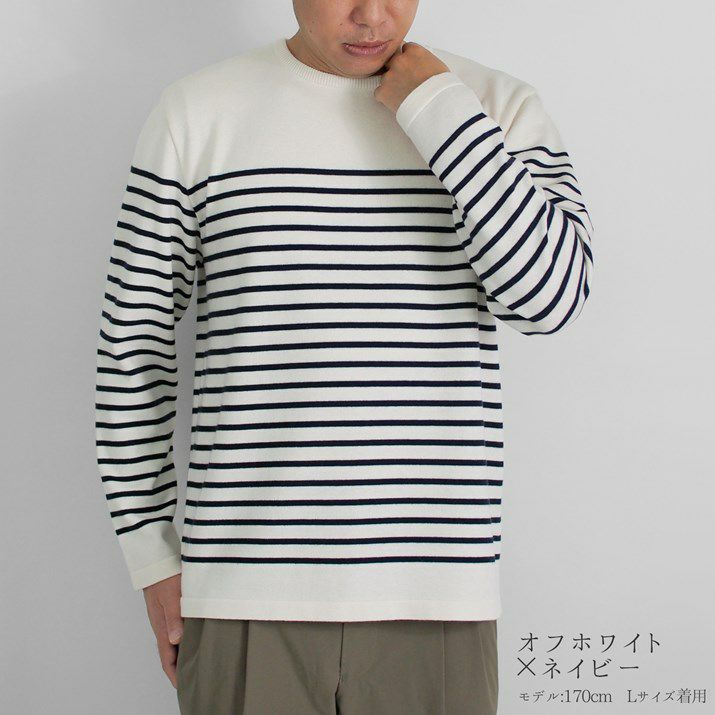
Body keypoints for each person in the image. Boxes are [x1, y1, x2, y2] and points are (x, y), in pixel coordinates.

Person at [94, 1, 594, 712]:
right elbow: (131, 349)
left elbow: (550, 300)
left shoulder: (491, 105)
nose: (372, 14)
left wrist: (441, 113)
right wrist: (151, 553)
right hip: (244, 593)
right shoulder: (198, 111)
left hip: (435, 599)